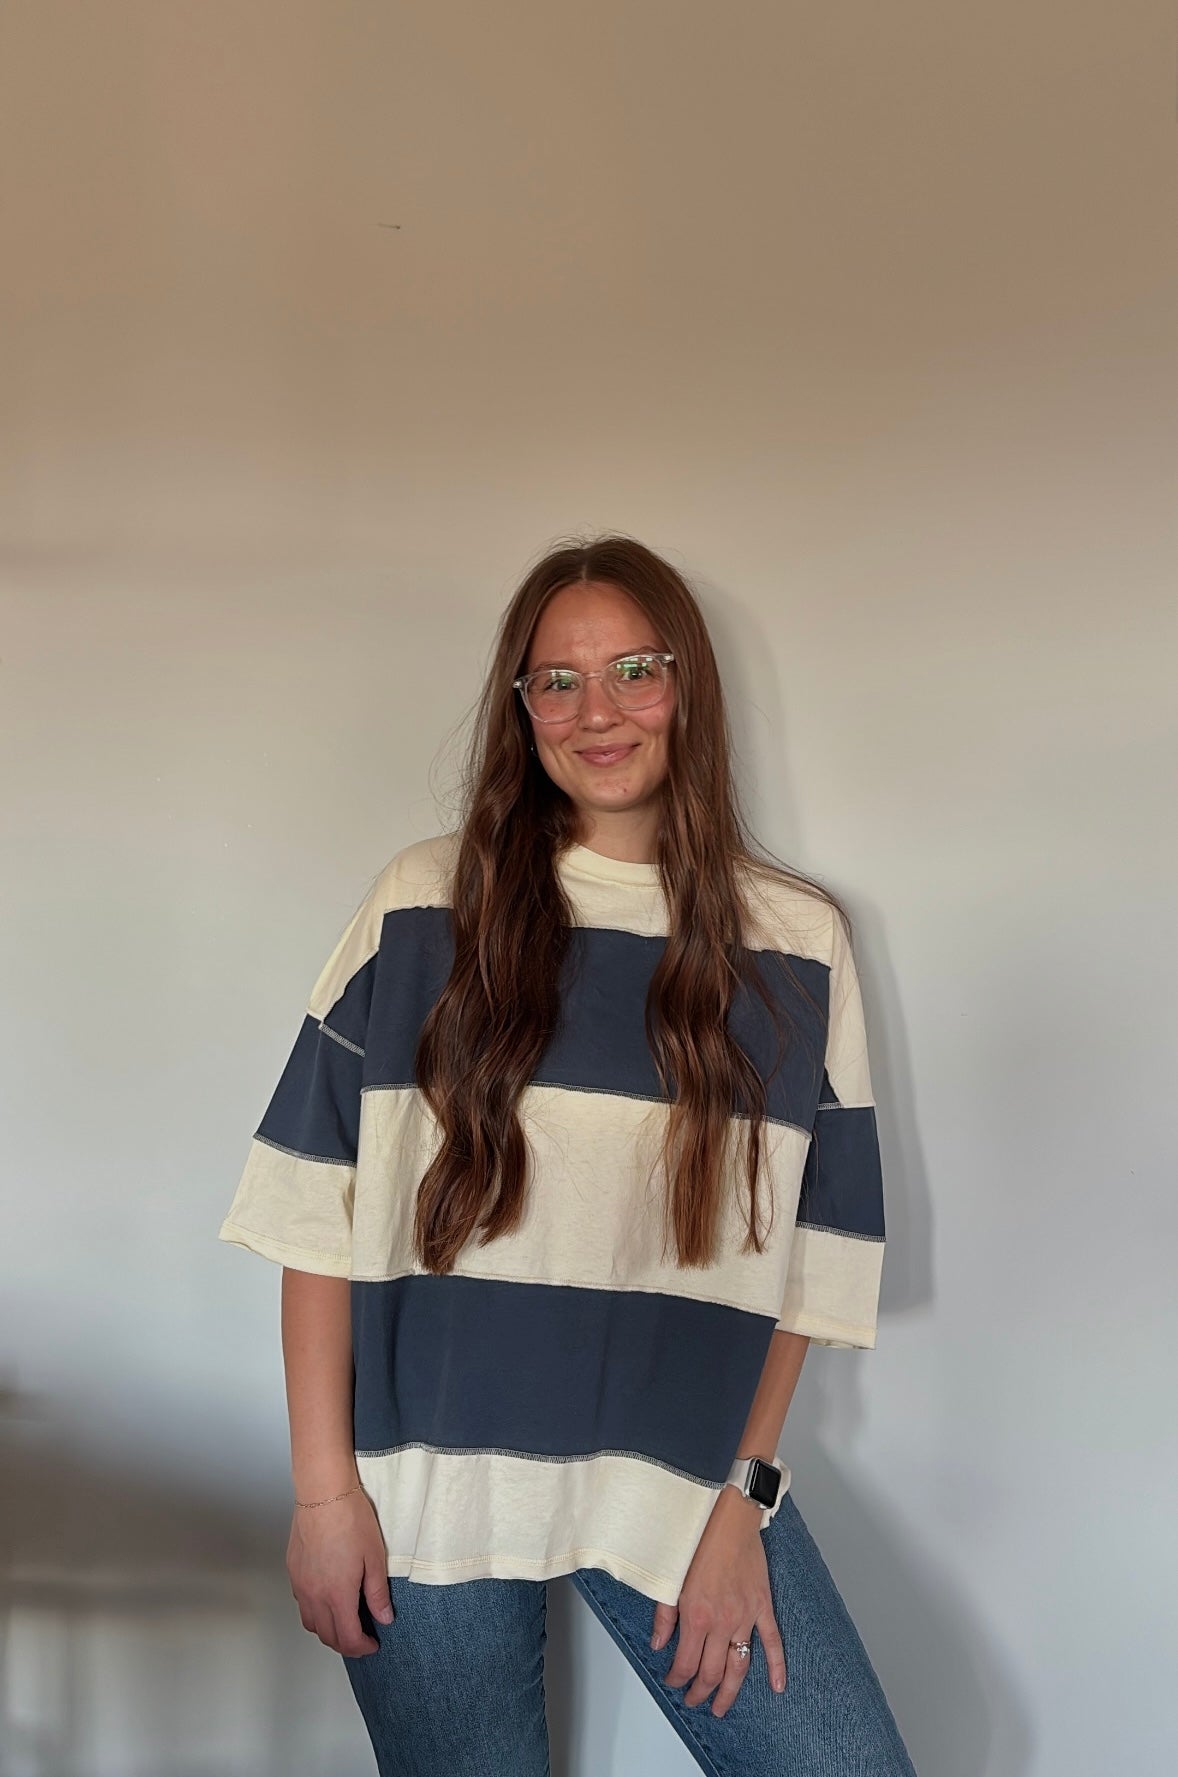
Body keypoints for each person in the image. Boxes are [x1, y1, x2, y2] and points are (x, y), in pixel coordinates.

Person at [218, 534, 918, 1775]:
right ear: (520, 706)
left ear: (685, 687)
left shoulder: (794, 943)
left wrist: (738, 1502)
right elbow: (309, 1213)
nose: (596, 712)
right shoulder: (420, 908)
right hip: (422, 1486)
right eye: (556, 680)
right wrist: (324, 1497)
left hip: (678, 1479)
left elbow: (812, 1262)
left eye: (633, 670)